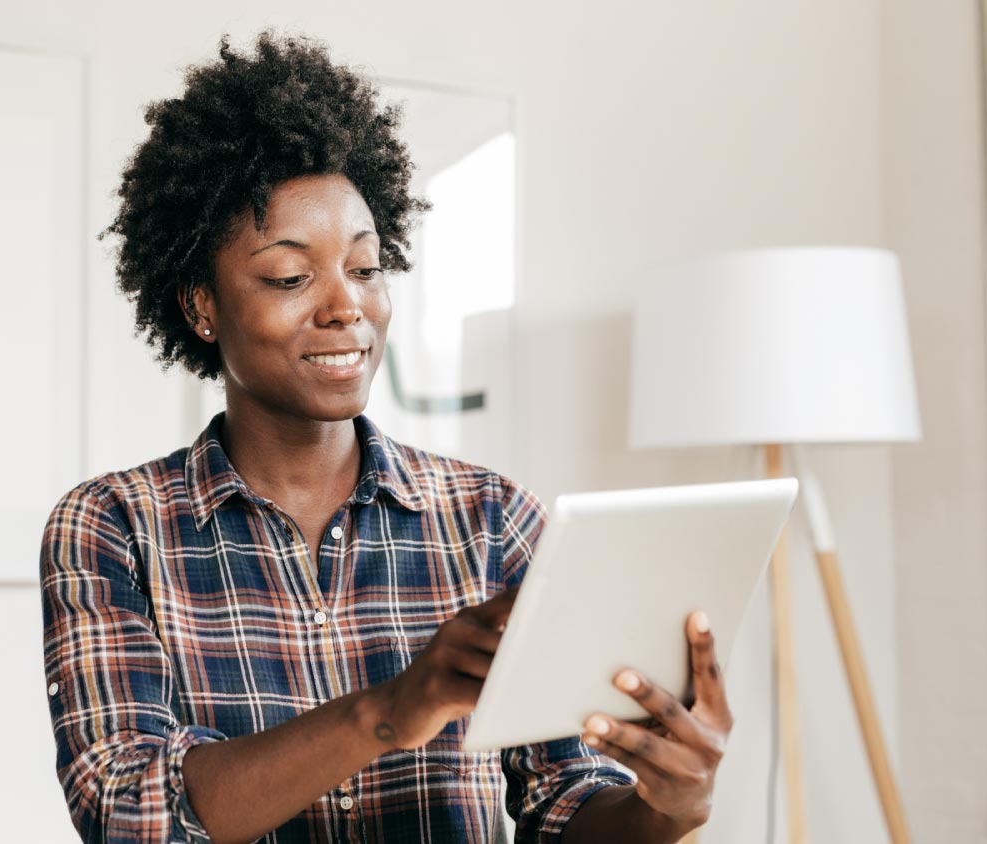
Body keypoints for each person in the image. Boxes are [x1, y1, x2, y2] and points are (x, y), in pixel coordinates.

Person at [40, 30, 732, 844]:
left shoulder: (492, 520)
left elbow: (569, 810)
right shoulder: (113, 526)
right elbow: (128, 811)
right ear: (200, 305)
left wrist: (670, 804)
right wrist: (390, 711)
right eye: (290, 277)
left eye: (365, 269)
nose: (347, 308)